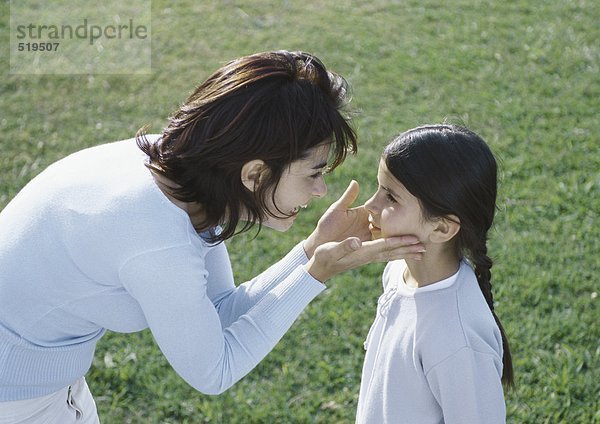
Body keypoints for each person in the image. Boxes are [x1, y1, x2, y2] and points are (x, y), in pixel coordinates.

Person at [0, 50, 426, 423]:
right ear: (254, 173)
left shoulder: (179, 172)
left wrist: (312, 250)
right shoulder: (157, 240)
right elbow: (214, 371)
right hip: (17, 397)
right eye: (314, 173)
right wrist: (315, 276)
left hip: (34, 382)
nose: (320, 192)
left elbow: (222, 311)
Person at [356, 124, 514, 424]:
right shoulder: (398, 272)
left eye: (390, 197)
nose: (370, 205)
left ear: (442, 227)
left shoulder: (458, 336)